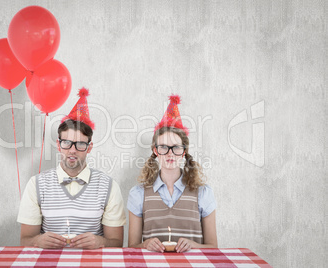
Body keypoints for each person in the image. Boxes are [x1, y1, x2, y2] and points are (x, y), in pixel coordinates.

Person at [17, 88, 126, 249]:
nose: (72, 150)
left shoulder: (108, 186)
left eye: (80, 144)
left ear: (89, 148)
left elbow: (116, 243)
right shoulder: (37, 184)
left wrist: (101, 242)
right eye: (67, 143)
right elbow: (25, 240)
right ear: (58, 144)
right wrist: (37, 241)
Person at [127, 95, 217, 253]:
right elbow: (132, 247)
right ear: (156, 151)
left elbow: (213, 247)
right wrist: (145, 244)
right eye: (163, 147)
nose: (170, 154)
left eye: (176, 147)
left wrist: (193, 245)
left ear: (183, 152)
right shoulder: (138, 194)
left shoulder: (203, 193)